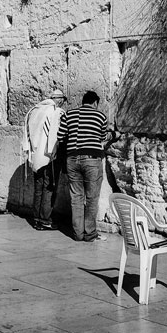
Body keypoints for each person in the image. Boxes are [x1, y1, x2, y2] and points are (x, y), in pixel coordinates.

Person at [56, 90, 110, 242]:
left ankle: (78, 234)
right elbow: (102, 137)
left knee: (76, 197)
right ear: (95, 103)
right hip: (92, 159)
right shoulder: (100, 116)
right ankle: (90, 234)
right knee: (92, 198)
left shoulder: (69, 114)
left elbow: (60, 136)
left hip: (72, 159)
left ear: (83, 101)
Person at [22, 89, 66, 231]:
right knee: (49, 187)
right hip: (48, 156)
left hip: (35, 155)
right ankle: (45, 220)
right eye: (63, 101)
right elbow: (57, 135)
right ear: (59, 99)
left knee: (38, 187)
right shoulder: (55, 112)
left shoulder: (33, 111)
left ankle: (36, 219)